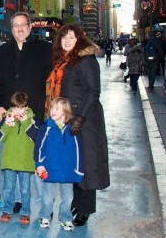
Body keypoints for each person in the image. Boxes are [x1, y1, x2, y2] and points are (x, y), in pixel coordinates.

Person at [46, 24, 110, 226]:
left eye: (71, 37)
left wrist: (80, 118)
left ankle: (85, 209)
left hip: (86, 120)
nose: (66, 40)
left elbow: (93, 92)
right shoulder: (64, 61)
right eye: (64, 37)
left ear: (79, 40)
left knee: (87, 164)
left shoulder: (86, 60)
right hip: (68, 119)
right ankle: (76, 202)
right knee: (74, 162)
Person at [0, 11, 53, 212]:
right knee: (14, 159)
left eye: (23, 24)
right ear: (11, 29)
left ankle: (44, 206)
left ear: (30, 26)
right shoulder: (2, 52)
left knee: (37, 159)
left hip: (35, 114)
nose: (20, 28)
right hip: (11, 114)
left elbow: (50, 82)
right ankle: (18, 200)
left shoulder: (45, 49)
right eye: (15, 25)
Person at [35, 97, 83, 231]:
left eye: (57, 108)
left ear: (65, 112)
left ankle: (65, 217)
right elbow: (39, 147)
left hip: (67, 170)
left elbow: (79, 152)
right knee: (48, 196)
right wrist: (39, 164)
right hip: (50, 169)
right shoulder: (46, 127)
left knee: (68, 196)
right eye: (51, 108)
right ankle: (45, 215)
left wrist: (79, 171)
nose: (52, 111)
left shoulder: (73, 130)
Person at [0, 91, 37, 225]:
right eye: (14, 108)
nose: (17, 111)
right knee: (8, 188)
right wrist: (6, 124)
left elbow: (36, 137)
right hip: (9, 161)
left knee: (25, 189)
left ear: (26, 108)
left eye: (20, 108)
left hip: (25, 162)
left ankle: (25, 212)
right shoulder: (6, 118)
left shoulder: (32, 120)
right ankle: (7, 209)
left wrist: (25, 123)